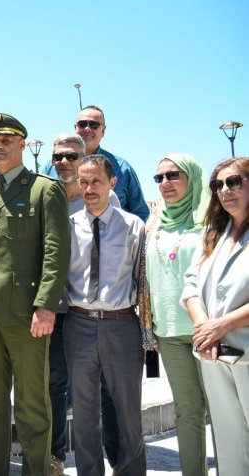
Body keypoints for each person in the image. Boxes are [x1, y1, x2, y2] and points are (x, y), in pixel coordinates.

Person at [0, 113, 70, 476]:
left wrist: (46, 306)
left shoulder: (45, 189)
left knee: (31, 404)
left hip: (28, 316)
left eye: (6, 140)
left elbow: (56, 252)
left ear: (22, 144)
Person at [64, 155, 147, 475]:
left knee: (128, 412)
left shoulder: (133, 226)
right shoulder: (69, 227)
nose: (89, 188)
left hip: (121, 325)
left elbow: (144, 281)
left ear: (112, 183)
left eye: (96, 181)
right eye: (82, 182)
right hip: (79, 325)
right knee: (84, 414)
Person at [47, 133, 120, 474]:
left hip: (95, 312)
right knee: (55, 384)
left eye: (71, 156)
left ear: (84, 157)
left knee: (102, 387)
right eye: (58, 156)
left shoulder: (105, 198)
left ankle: (116, 457)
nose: (64, 162)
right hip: (56, 309)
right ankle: (56, 456)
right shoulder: (46, 197)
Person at [136, 154, 212, 475]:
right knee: (188, 411)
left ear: (192, 177)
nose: (165, 183)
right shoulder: (153, 224)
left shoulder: (211, 222)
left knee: (223, 411)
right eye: (159, 178)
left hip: (208, 331)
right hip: (167, 333)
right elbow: (144, 279)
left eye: (173, 175)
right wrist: (146, 331)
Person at [182, 157, 249, 475]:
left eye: (234, 181)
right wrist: (204, 329)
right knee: (228, 439)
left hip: (245, 350)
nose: (225, 190)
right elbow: (190, 286)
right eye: (218, 185)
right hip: (215, 354)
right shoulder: (213, 232)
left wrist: (221, 325)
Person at [42, 105, 148, 222]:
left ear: (103, 131)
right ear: (75, 128)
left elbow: (140, 212)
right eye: (82, 124)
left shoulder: (122, 169)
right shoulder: (52, 166)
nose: (87, 129)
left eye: (94, 125)